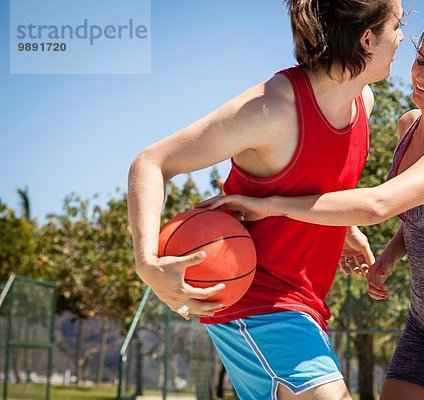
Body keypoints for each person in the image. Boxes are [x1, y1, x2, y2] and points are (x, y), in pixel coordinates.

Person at [200, 12, 424, 400]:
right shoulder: (408, 125)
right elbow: (421, 215)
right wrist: (391, 254)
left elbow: (379, 204)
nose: (422, 75)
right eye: (421, 60)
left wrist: (271, 204)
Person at [127, 0, 405, 398]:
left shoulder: (363, 103)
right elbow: (151, 163)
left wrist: (344, 226)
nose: (400, 39)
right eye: (397, 26)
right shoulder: (272, 109)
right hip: (256, 302)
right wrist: (147, 263)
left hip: (304, 306)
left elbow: (311, 185)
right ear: (366, 39)